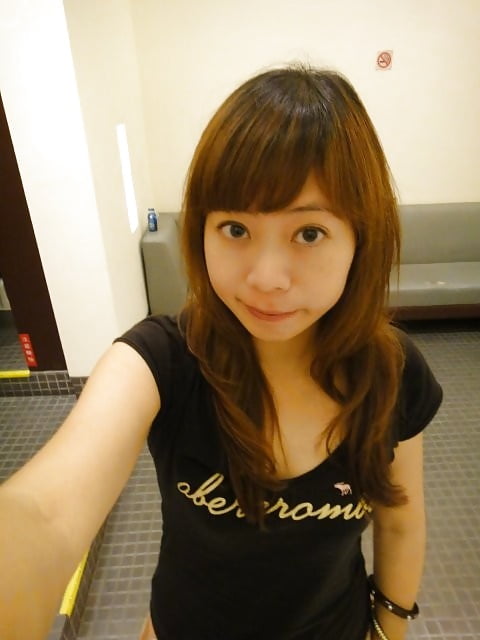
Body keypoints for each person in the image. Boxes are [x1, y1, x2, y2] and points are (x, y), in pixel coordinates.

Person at [0, 64, 442, 640]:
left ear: (361, 240)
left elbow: (401, 519)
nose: (266, 278)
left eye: (308, 233)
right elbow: (45, 516)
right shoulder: (161, 361)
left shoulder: (392, 370)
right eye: (235, 229)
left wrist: (388, 633)